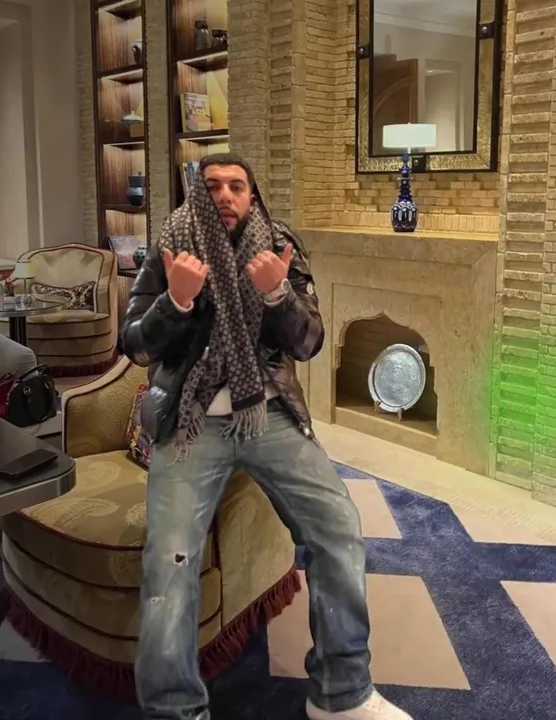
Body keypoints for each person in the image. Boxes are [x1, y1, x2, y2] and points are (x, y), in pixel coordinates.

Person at [120, 154, 411, 720]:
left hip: (269, 413)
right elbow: (134, 344)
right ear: (197, 196)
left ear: (252, 196)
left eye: (237, 185)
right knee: (169, 559)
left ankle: (341, 692)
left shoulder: (279, 247)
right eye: (213, 186)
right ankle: (174, 710)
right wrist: (175, 302)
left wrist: (278, 295)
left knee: (339, 527)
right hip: (191, 421)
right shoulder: (169, 247)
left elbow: (309, 344)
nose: (225, 195)